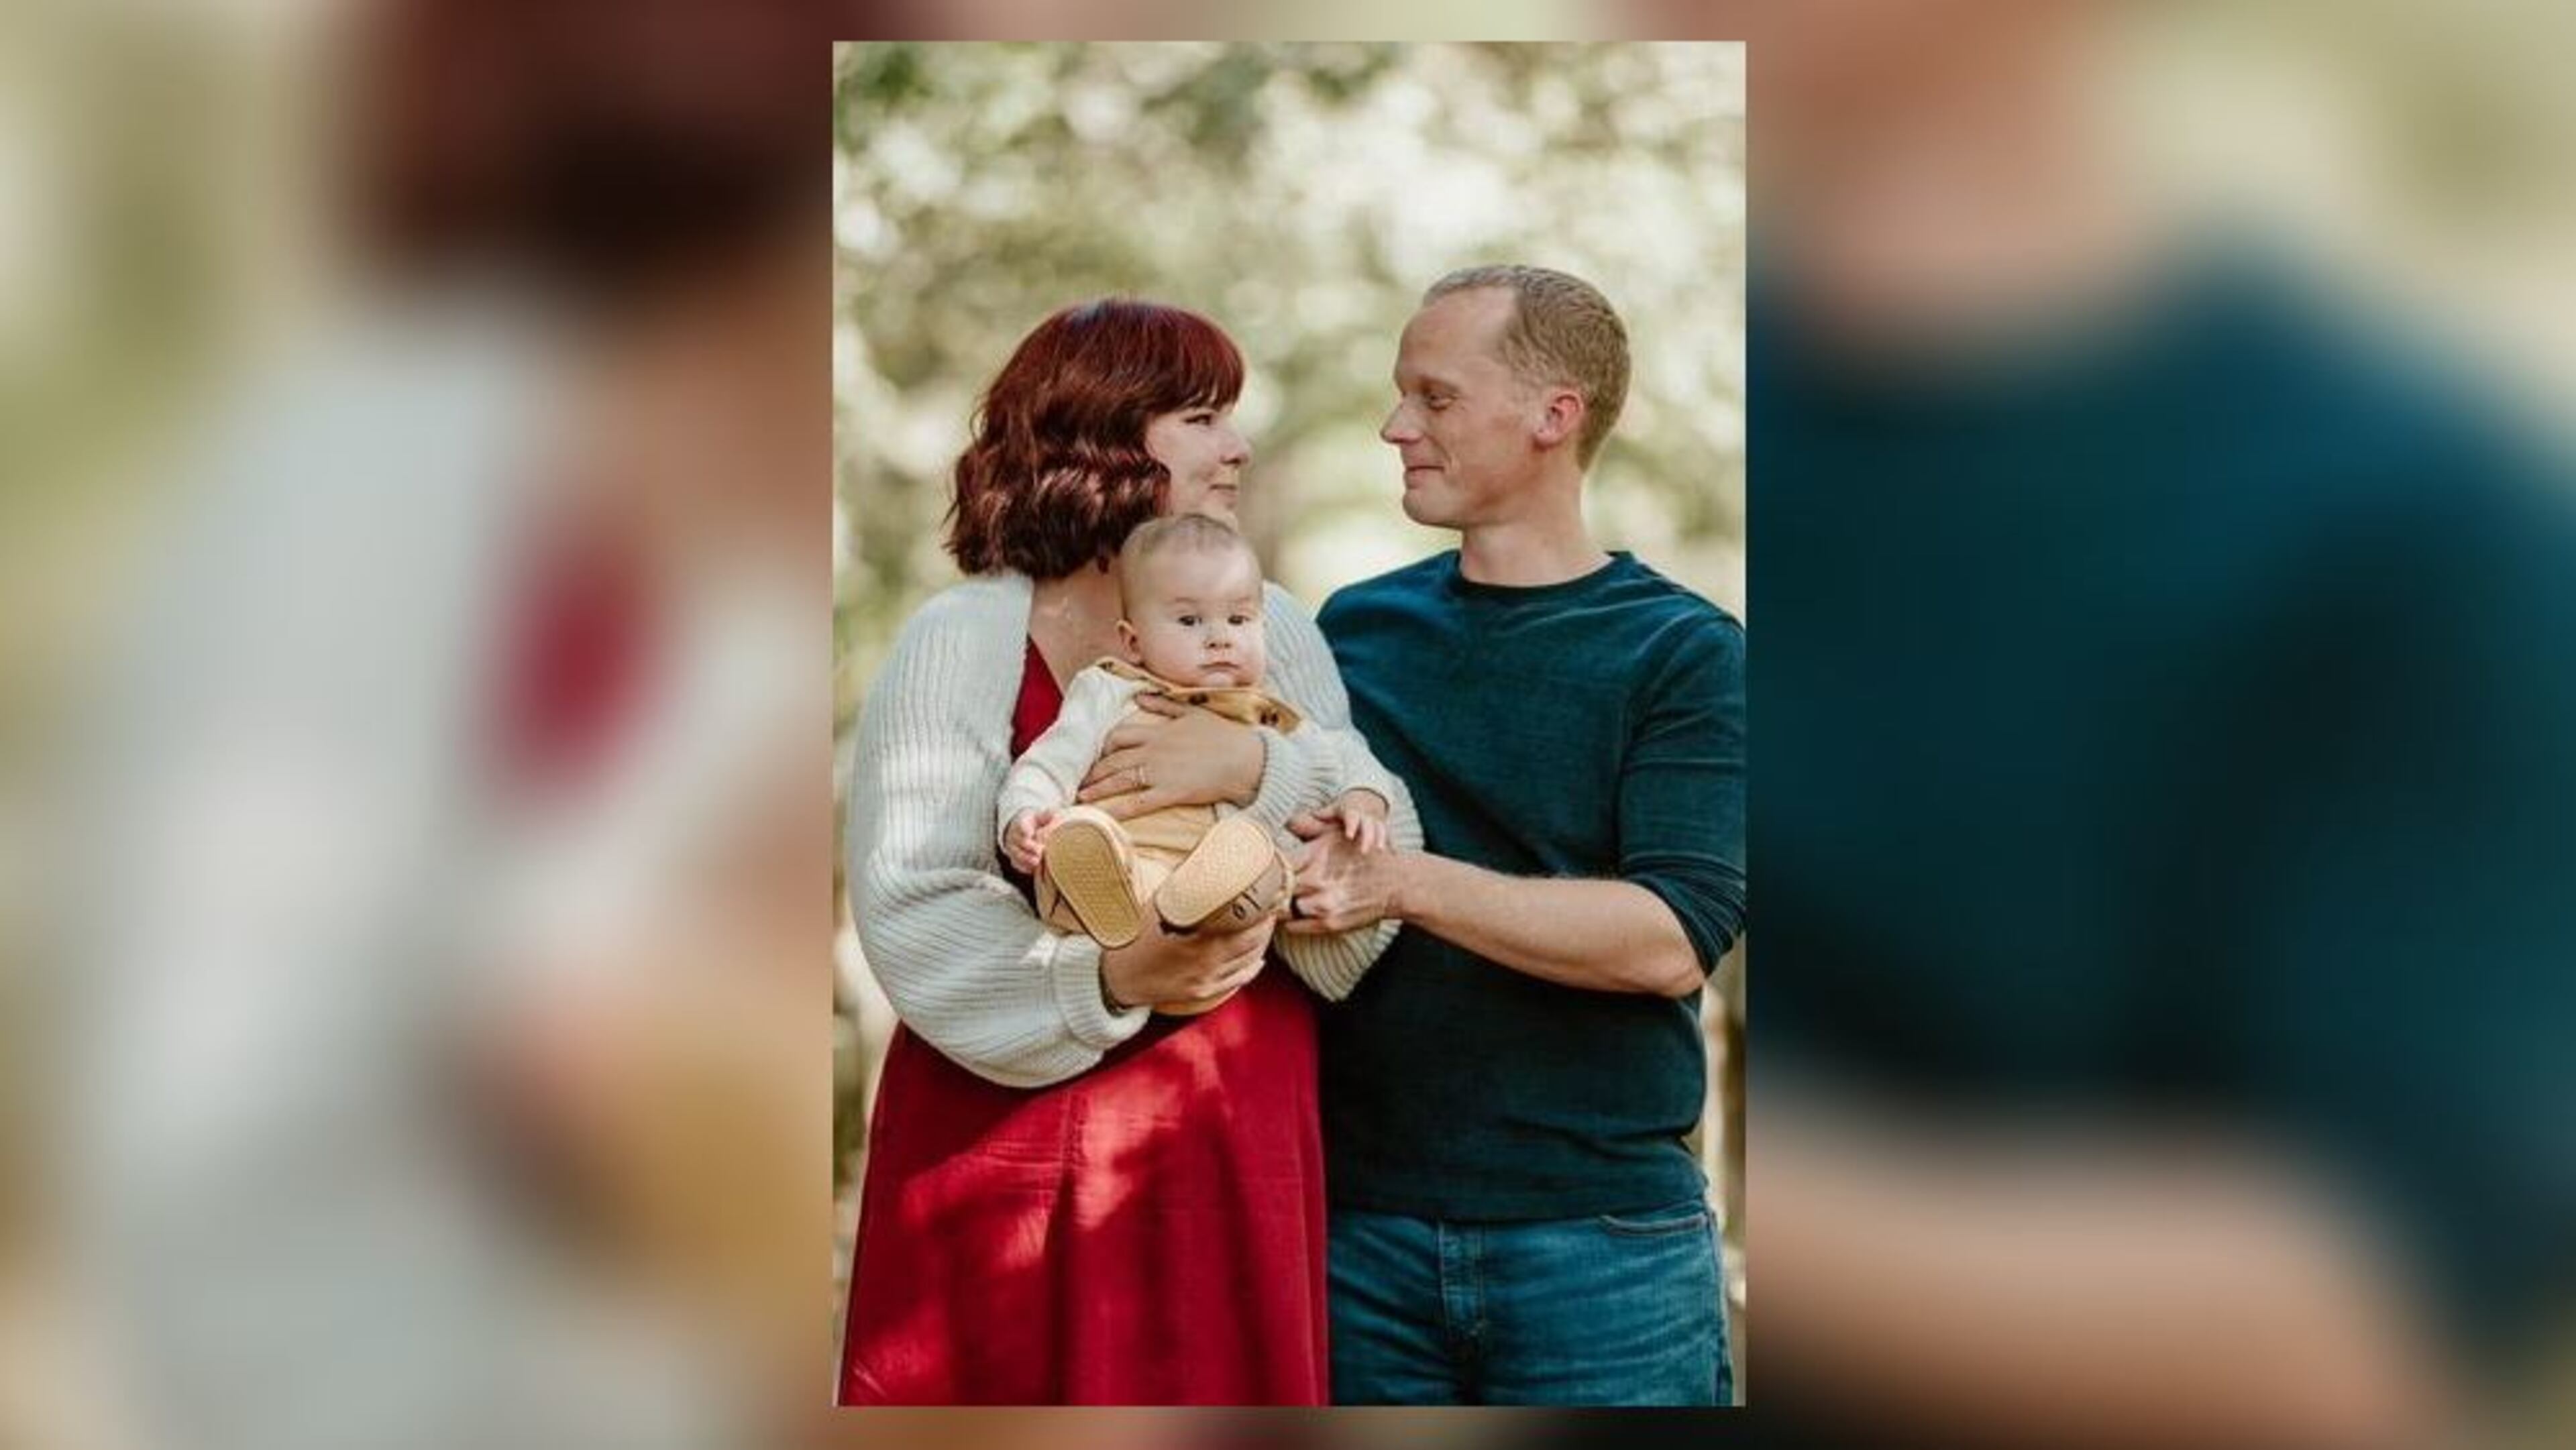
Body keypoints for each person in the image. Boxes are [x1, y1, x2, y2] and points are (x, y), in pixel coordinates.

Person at [838, 297, 1419, 1405]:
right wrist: (1116, 975)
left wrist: (1252, 773)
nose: (1237, 445)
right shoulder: (961, 637)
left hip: (1222, 1120)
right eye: (1201, 416)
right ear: (1105, 437)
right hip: (1002, 1119)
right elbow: (915, 902)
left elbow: (1372, 839)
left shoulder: (1269, 624)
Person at [1287, 266, 1747, 1405]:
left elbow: (1668, 939)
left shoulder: (1687, 656)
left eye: (1435, 398)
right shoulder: (1354, 628)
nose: (1398, 427)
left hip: (1600, 1250)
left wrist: (1401, 883)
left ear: (1555, 417)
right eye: (1402, 396)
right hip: (1356, 1234)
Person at [999, 513, 1393, 1015]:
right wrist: (1025, 814)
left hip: (1222, 935)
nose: (1219, 638)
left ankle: (1210, 901)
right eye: (1190, 621)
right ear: (1133, 641)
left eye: (1239, 619)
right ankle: (1107, 896)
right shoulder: (1110, 692)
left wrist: (1365, 799)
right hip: (1130, 897)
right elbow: (1050, 762)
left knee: (1261, 862)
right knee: (1081, 834)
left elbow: (1346, 756)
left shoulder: (1263, 710)